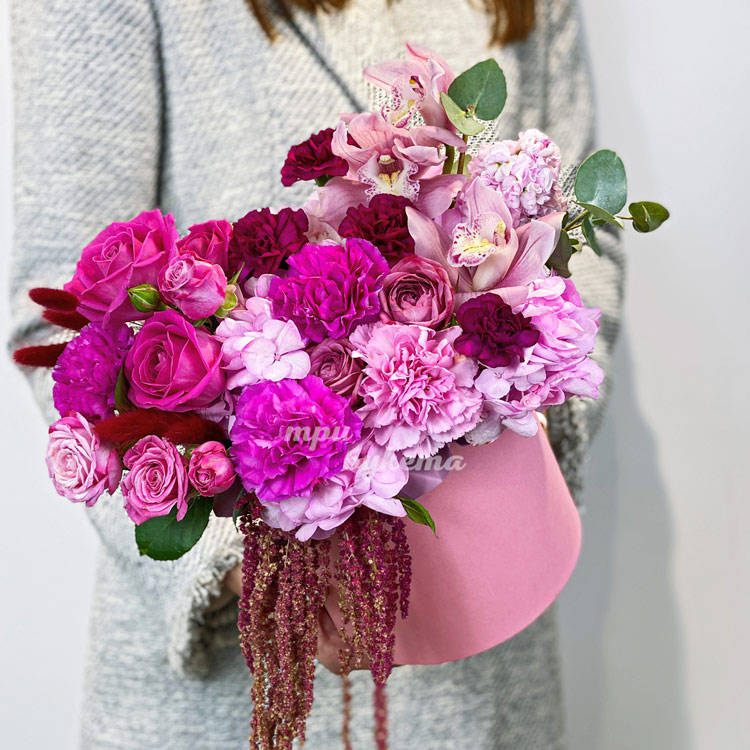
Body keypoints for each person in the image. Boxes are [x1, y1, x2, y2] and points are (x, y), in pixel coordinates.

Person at [9, 0, 624, 747]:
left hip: (483, 660)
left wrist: (511, 398)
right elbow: (67, 319)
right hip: (241, 676)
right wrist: (260, 574)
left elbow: (581, 248)